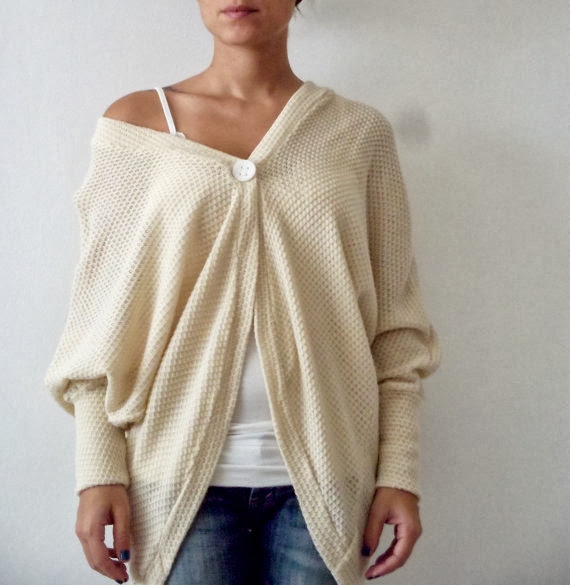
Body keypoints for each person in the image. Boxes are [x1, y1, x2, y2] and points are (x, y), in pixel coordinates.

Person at [45, 1, 441, 584]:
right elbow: (100, 317)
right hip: (170, 477)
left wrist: (399, 472)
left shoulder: (358, 133)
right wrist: (98, 468)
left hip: (329, 478)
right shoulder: (137, 126)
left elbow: (396, 329)